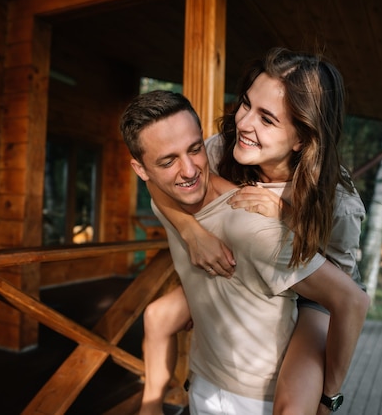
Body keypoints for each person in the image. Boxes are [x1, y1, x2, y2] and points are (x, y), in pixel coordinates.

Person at [139, 47, 367, 415]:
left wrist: (329, 395)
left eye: (267, 119)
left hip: (318, 293)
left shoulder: (338, 201)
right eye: (245, 104)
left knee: (295, 405)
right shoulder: (221, 149)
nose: (244, 123)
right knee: (158, 316)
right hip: (249, 273)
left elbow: (342, 293)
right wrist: (189, 231)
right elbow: (158, 179)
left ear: (302, 137)